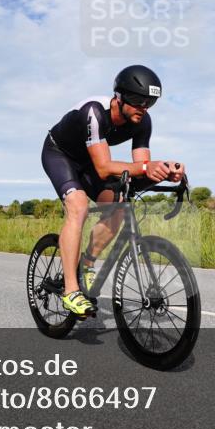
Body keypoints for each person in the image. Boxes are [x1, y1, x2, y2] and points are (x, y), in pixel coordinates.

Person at [41, 65, 185, 317]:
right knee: (78, 206)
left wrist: (163, 172)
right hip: (60, 154)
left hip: (88, 164)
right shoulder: (95, 112)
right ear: (119, 96)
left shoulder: (142, 121)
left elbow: (142, 168)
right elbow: (105, 167)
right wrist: (145, 167)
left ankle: (86, 263)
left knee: (118, 205)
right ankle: (70, 291)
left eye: (150, 101)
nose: (144, 107)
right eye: (138, 100)